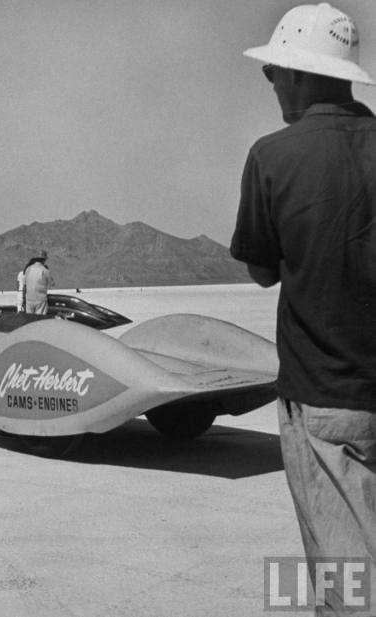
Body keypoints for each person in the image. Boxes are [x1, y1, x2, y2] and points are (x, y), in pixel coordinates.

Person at [230, 4, 376, 614]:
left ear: (295, 73)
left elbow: (262, 271)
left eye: (273, 72)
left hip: (324, 403)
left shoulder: (273, 156)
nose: (270, 85)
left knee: (344, 580)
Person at [22, 250, 54, 315]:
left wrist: (24, 299)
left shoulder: (28, 269)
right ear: (44, 260)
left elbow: (24, 286)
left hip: (29, 299)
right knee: (39, 321)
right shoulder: (45, 270)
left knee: (30, 321)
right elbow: (52, 283)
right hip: (40, 300)